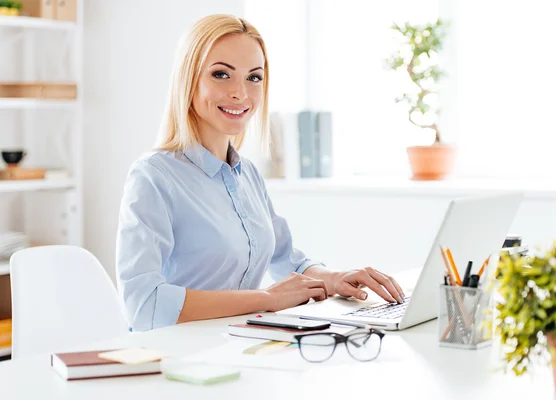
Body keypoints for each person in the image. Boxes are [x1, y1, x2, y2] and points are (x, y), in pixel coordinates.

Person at [116, 14, 404, 332]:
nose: (241, 93)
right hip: (176, 358)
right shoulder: (154, 177)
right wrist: (265, 298)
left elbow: (287, 261)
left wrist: (335, 278)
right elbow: (144, 305)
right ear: (189, 79)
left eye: (254, 77)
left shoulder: (246, 174)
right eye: (221, 74)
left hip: (238, 346)